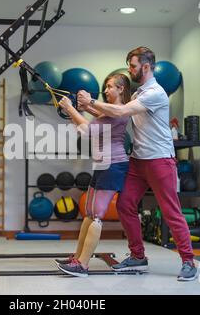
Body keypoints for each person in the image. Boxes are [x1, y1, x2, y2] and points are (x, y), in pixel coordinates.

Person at [77, 46, 197, 281]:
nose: (129, 70)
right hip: (138, 161)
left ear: (146, 66)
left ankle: (188, 261)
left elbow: (122, 110)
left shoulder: (156, 93)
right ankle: (138, 256)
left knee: (171, 211)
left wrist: (91, 100)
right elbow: (116, 114)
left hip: (160, 160)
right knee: (125, 205)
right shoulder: (138, 93)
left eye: (132, 66)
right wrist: (86, 107)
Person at [55, 74, 131, 277]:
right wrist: (81, 105)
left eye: (109, 87)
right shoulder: (108, 111)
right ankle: (77, 258)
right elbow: (94, 114)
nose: (105, 91)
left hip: (113, 165)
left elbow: (87, 130)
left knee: (96, 214)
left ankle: (83, 265)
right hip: (102, 164)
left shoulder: (119, 112)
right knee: (88, 212)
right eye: (105, 87)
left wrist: (71, 108)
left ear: (121, 89)